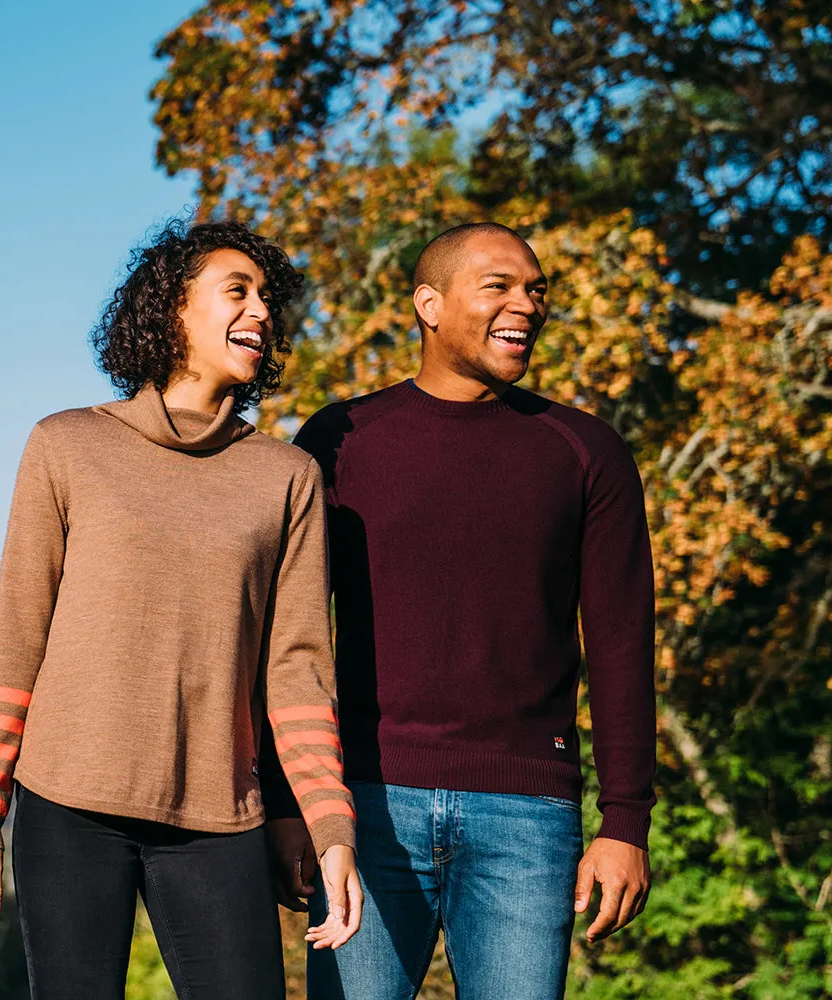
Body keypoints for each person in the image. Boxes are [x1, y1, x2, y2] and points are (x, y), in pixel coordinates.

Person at [0, 219, 362, 1000]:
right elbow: (14, 639)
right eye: (237, 291)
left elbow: (299, 673)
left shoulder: (286, 476)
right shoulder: (67, 446)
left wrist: (327, 825)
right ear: (172, 309)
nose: (263, 312)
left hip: (219, 816)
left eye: (268, 297)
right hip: (66, 805)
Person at [263, 222, 656, 999]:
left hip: (529, 816)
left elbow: (620, 649)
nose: (527, 305)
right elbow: (286, 641)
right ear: (429, 305)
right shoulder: (338, 442)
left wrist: (624, 824)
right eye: (500, 286)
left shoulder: (587, 452)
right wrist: (285, 804)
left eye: (536, 289)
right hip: (362, 807)